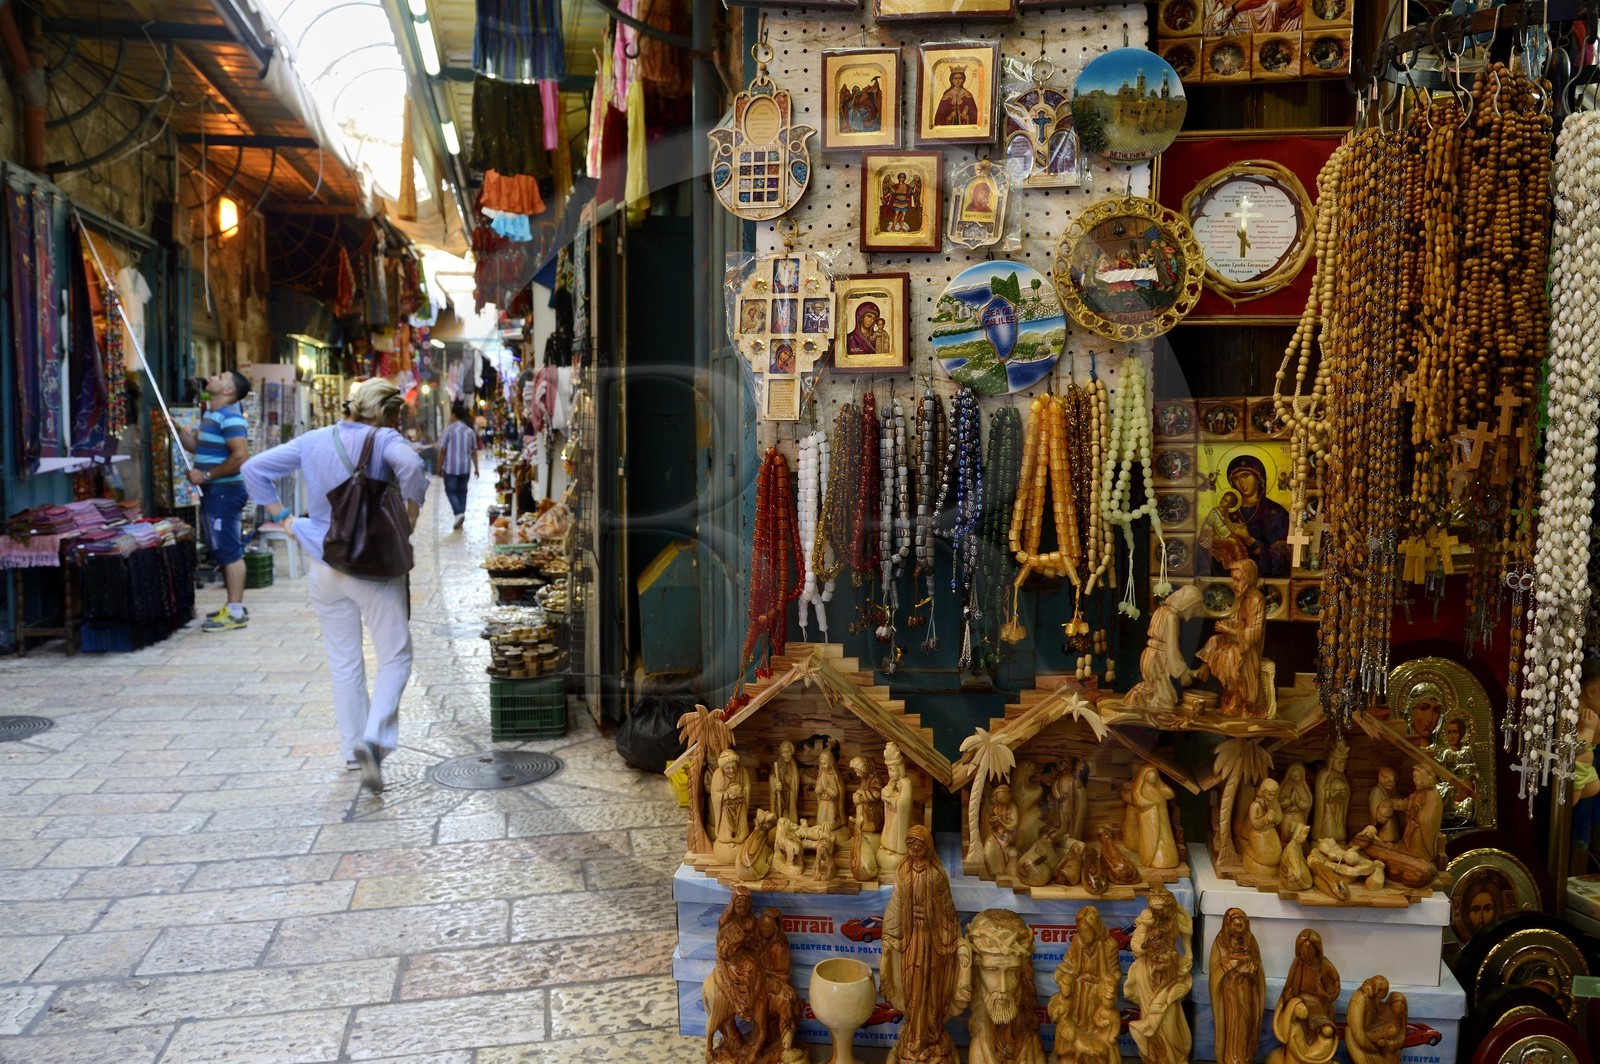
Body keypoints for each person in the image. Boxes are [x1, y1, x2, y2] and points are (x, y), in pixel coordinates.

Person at [241, 379, 428, 792]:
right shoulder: (384, 438)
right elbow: (413, 468)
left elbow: (252, 469)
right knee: (395, 656)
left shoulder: (313, 440)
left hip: (325, 563)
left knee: (344, 661)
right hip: (375, 567)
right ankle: (376, 738)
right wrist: (413, 511)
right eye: (398, 416)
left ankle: (351, 749)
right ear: (387, 413)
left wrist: (287, 518)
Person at [175, 370, 253, 632]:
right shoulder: (210, 415)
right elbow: (197, 446)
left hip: (225, 492)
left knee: (228, 551)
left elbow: (240, 456)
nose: (212, 377)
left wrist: (205, 475)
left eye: (220, 376)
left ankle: (235, 611)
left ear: (229, 391)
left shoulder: (230, 417)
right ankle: (232, 607)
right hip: (215, 493)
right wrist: (176, 430)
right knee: (222, 549)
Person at [438, 402, 479, 530]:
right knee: (462, 492)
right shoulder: (469, 431)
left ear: (454, 415)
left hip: (450, 468)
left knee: (450, 491)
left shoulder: (449, 430)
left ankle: (458, 513)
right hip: (465, 468)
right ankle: (460, 514)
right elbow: (474, 451)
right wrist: (477, 468)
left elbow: (443, 450)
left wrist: (438, 466)